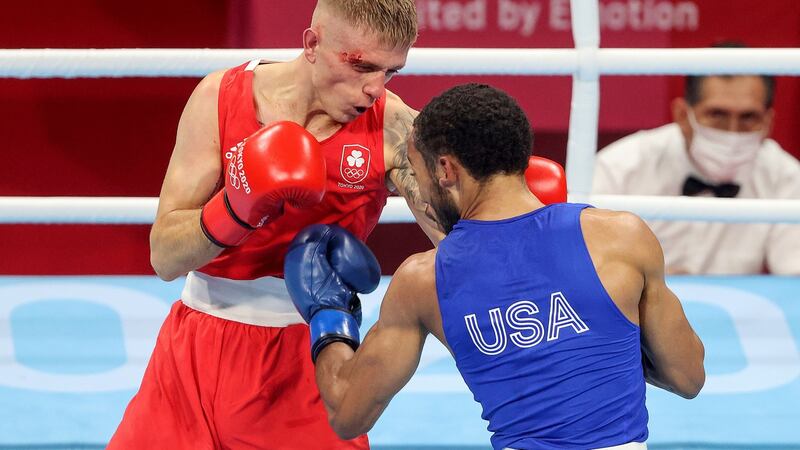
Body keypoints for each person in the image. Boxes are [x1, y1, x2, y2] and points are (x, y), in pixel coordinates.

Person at [285, 83, 706, 450]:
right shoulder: (621, 236)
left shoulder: (424, 281)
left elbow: (347, 413)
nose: (422, 196)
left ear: (446, 169)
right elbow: (688, 376)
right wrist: (596, 334)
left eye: (417, 174)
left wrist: (329, 313)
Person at [107, 1, 441, 449]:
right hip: (193, 351)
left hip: (312, 356)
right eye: (361, 66)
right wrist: (237, 206)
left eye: (390, 72)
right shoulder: (220, 97)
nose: (374, 89)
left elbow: (461, 245)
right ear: (312, 43)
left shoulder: (393, 128)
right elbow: (164, 258)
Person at [593, 42, 800, 275]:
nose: (732, 131)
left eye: (748, 117)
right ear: (682, 115)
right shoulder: (619, 168)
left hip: (743, 310)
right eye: (717, 114)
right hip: (633, 309)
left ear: (768, 122)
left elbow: (795, 278)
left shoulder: (787, 178)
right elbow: (584, 267)